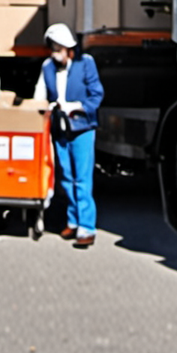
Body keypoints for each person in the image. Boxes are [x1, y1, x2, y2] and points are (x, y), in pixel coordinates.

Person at [33, 23, 104, 248]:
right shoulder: (47, 67)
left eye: (58, 48)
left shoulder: (86, 64)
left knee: (82, 178)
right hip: (60, 127)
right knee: (66, 177)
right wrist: (45, 107)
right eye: (52, 48)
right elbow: (40, 94)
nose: (54, 53)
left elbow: (97, 94)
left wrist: (78, 106)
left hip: (82, 127)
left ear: (68, 47)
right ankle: (73, 221)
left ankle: (87, 227)